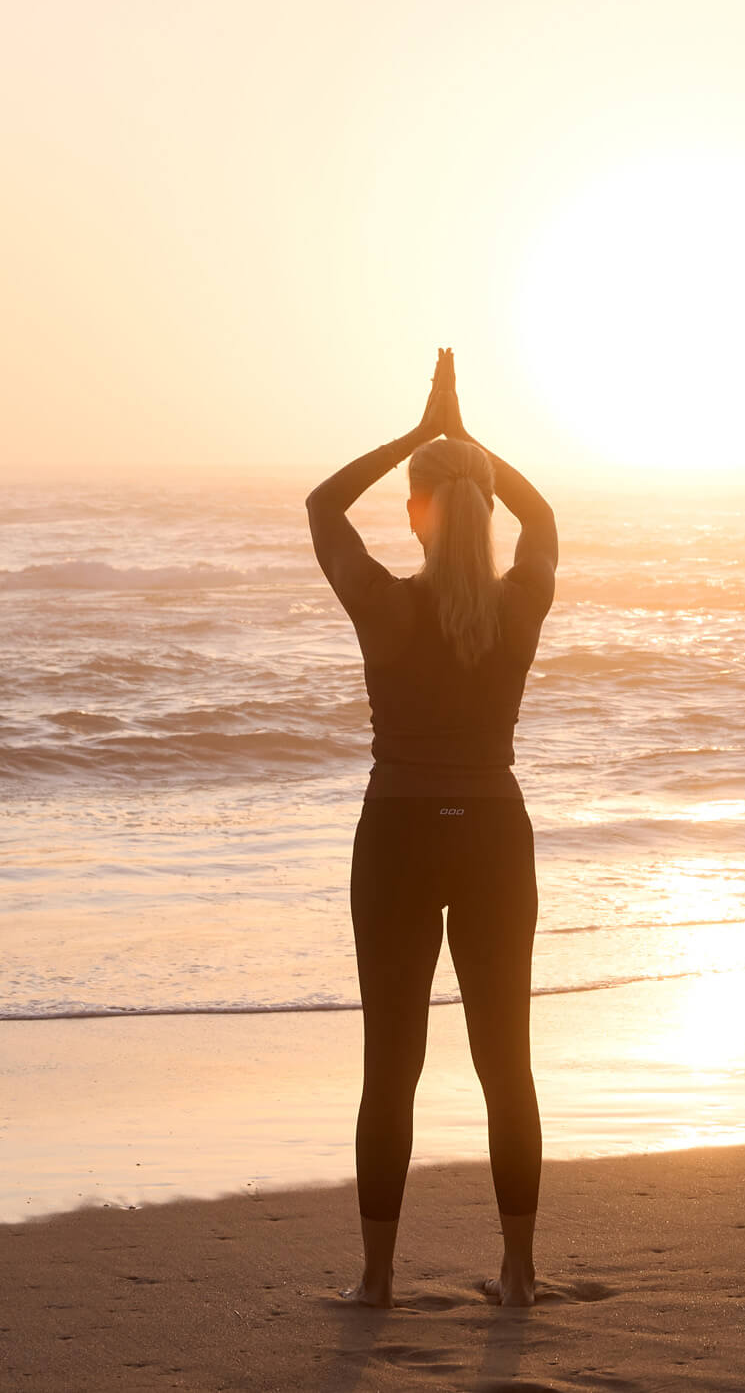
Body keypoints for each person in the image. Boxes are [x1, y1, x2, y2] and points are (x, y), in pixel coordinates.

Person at [305, 347, 559, 1309]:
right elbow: (545, 520)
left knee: (391, 1068)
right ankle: (519, 1273)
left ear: (415, 512)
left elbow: (323, 510)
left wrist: (423, 435)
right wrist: (470, 446)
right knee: (508, 1066)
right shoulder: (519, 604)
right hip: (494, 836)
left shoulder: (383, 608)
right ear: (487, 511)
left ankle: (377, 1283)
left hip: (400, 839)